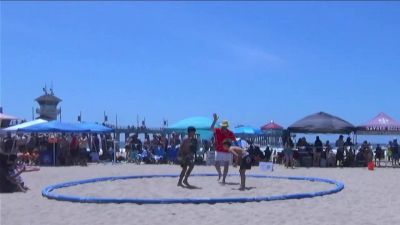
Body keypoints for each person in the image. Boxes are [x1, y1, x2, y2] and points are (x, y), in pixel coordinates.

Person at [210, 113, 236, 184]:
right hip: (218, 150)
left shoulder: (230, 133)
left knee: (226, 165)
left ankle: (224, 179)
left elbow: (234, 140)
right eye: (222, 126)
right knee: (216, 164)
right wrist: (215, 120)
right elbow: (211, 128)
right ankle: (219, 173)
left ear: (226, 127)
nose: (223, 127)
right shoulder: (218, 130)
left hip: (227, 151)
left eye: (224, 126)